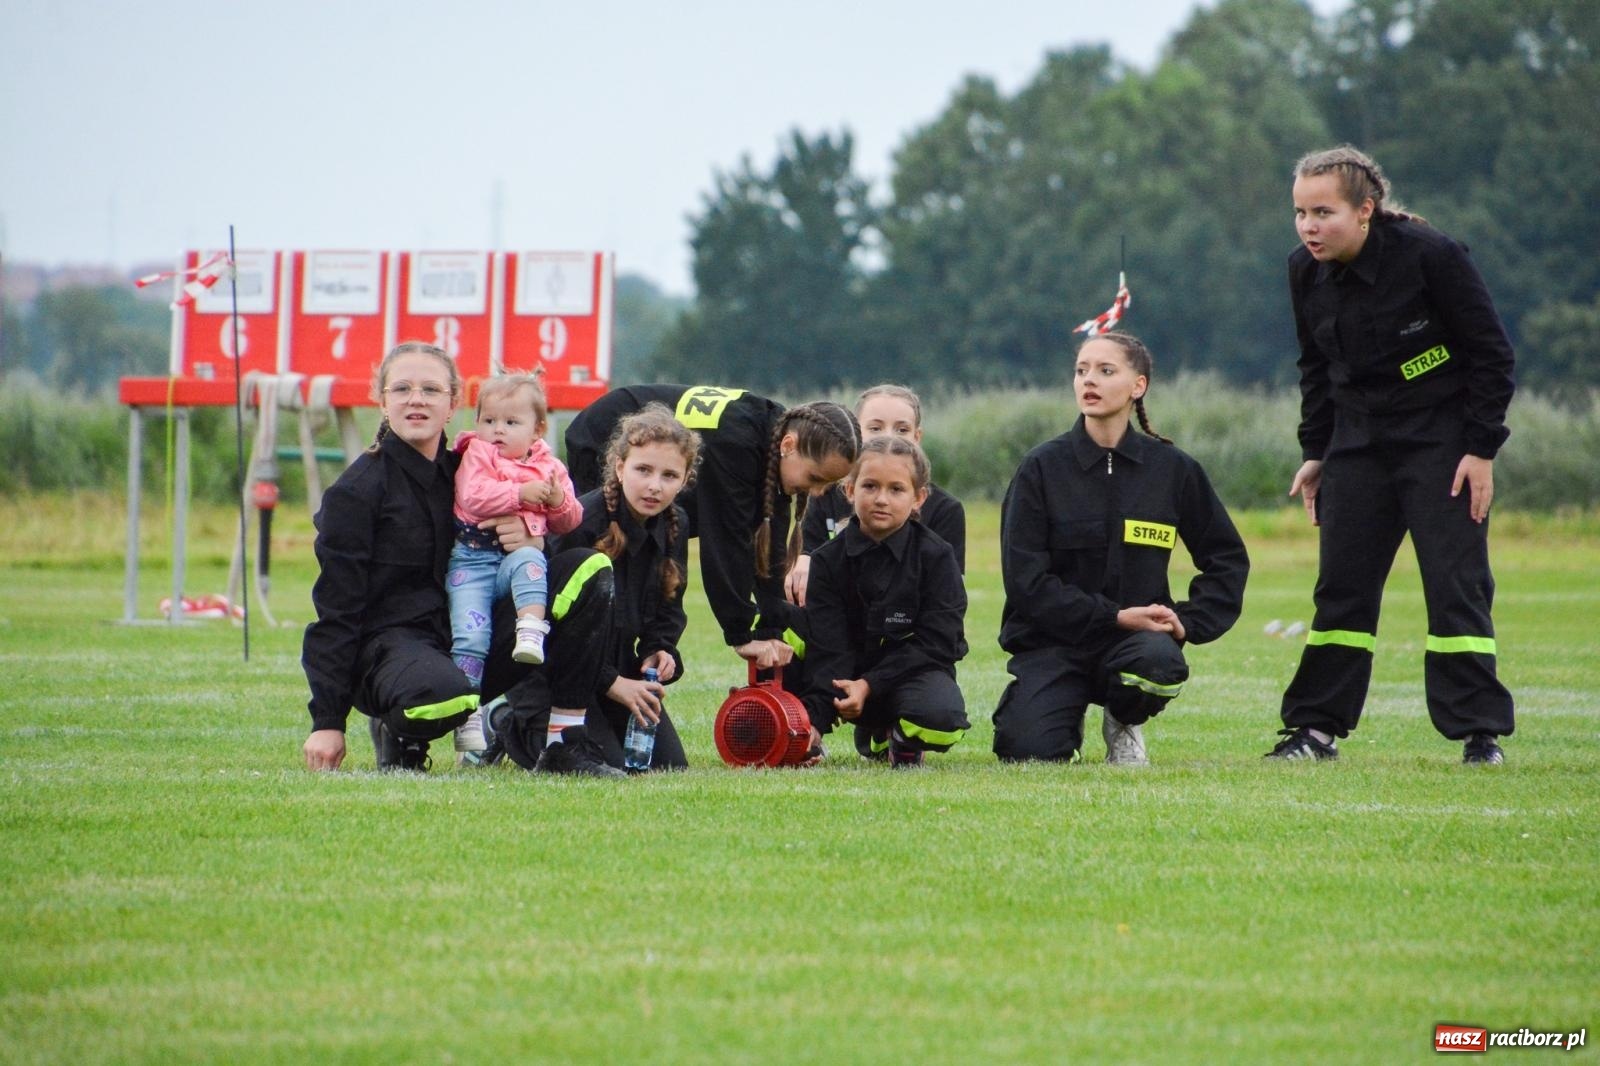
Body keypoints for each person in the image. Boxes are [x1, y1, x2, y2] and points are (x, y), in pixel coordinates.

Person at [1265, 145, 1516, 765]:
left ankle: (1477, 735)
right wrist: (1315, 451)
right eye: (1300, 213)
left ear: (1367, 209)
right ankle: (1315, 733)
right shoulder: (1303, 270)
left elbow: (1491, 356)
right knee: (1341, 591)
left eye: (1323, 212)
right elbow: (1315, 370)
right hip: (1356, 445)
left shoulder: (1433, 257)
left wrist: (1480, 449)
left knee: (1456, 586)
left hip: (1442, 444)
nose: (1309, 227)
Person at [300, 342, 621, 779]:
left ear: (452, 405)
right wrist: (327, 723)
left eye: (430, 389)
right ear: (382, 401)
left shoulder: (472, 470)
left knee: (588, 569)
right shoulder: (355, 492)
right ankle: (401, 732)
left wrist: (530, 537)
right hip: (392, 648)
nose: (416, 399)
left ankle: (564, 742)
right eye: (403, 389)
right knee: (441, 693)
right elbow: (334, 614)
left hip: (469, 629)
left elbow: (542, 552)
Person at [992, 332, 1249, 765]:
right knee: (1028, 752)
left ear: (1138, 386)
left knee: (1158, 665)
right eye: (1081, 370)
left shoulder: (1173, 470)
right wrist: (1110, 616)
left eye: (1105, 371)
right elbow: (1025, 582)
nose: (1088, 381)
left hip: (1138, 646)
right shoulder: (1041, 467)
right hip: (1054, 644)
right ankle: (1054, 710)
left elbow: (1226, 559)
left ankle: (1125, 719)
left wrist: (1187, 622)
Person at [565, 385, 859, 671]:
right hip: (606, 429)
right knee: (626, 559)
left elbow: (771, 535)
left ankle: (635, 662)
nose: (819, 492)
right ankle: (601, 672)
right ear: (789, 445)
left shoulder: (775, 438)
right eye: (815, 478)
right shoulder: (740, 445)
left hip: (661, 459)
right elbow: (726, 540)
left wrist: (772, 622)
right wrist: (740, 633)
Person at [540, 403, 701, 770]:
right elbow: (554, 631)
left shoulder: (676, 523)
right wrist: (613, 683)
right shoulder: (582, 522)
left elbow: (668, 611)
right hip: (559, 675)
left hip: (620, 671)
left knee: (667, 766)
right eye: (643, 470)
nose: (654, 486)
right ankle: (505, 722)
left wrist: (661, 652)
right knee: (603, 763)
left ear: (685, 478)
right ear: (619, 467)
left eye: (669, 475)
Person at [800, 436, 969, 768]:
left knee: (941, 717)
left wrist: (870, 685)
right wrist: (815, 721)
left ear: (918, 498)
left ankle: (900, 738)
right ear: (849, 490)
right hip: (846, 679)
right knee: (788, 639)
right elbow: (828, 646)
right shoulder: (826, 561)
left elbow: (938, 642)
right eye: (870, 486)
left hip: (910, 675)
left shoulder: (937, 557)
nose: (881, 499)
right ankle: (814, 740)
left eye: (896, 489)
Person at [445, 373, 581, 763]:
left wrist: (555, 502)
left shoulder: (550, 467)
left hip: (509, 563)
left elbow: (570, 521)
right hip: (470, 564)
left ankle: (530, 630)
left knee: (530, 559)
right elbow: (473, 497)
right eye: (489, 421)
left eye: (510, 422)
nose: (497, 431)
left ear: (537, 429)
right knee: (471, 637)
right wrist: (518, 494)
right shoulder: (476, 455)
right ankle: (468, 713)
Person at [786, 383, 966, 608]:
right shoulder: (824, 494)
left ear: (917, 437)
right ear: (856, 432)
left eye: (902, 430)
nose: (889, 436)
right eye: (875, 428)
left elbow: (948, 594)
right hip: (836, 614)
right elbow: (807, 551)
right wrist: (802, 560)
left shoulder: (945, 509)